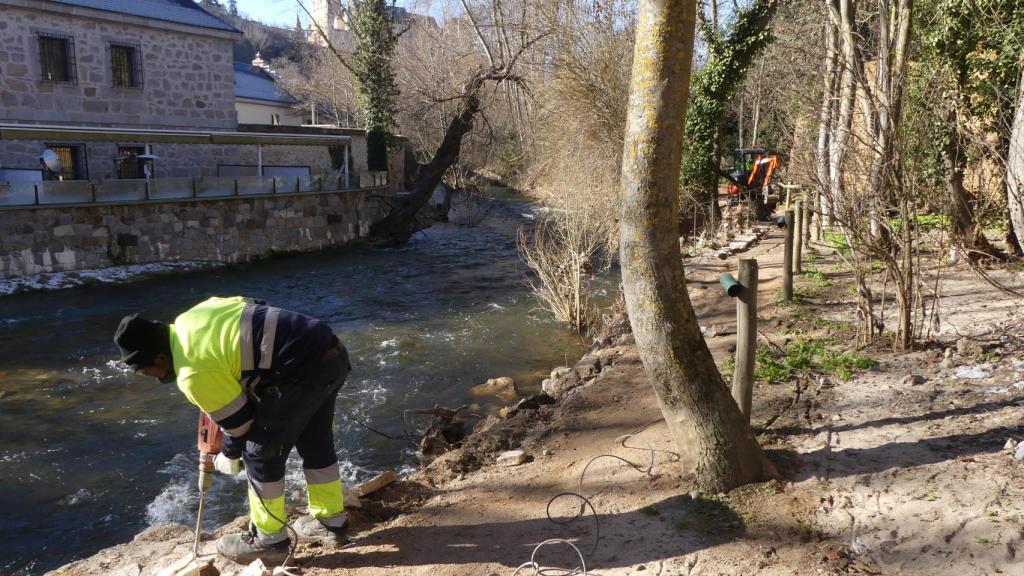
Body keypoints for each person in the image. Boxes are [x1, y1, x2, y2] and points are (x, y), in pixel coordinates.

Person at [113, 296, 351, 564]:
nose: (156, 379)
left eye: (149, 371)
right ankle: (331, 522)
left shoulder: (192, 373)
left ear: (158, 356)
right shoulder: (194, 315)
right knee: (315, 442)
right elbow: (256, 306)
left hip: (298, 371)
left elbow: (241, 425)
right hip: (330, 351)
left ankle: (269, 540)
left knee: (259, 454)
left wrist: (229, 454)